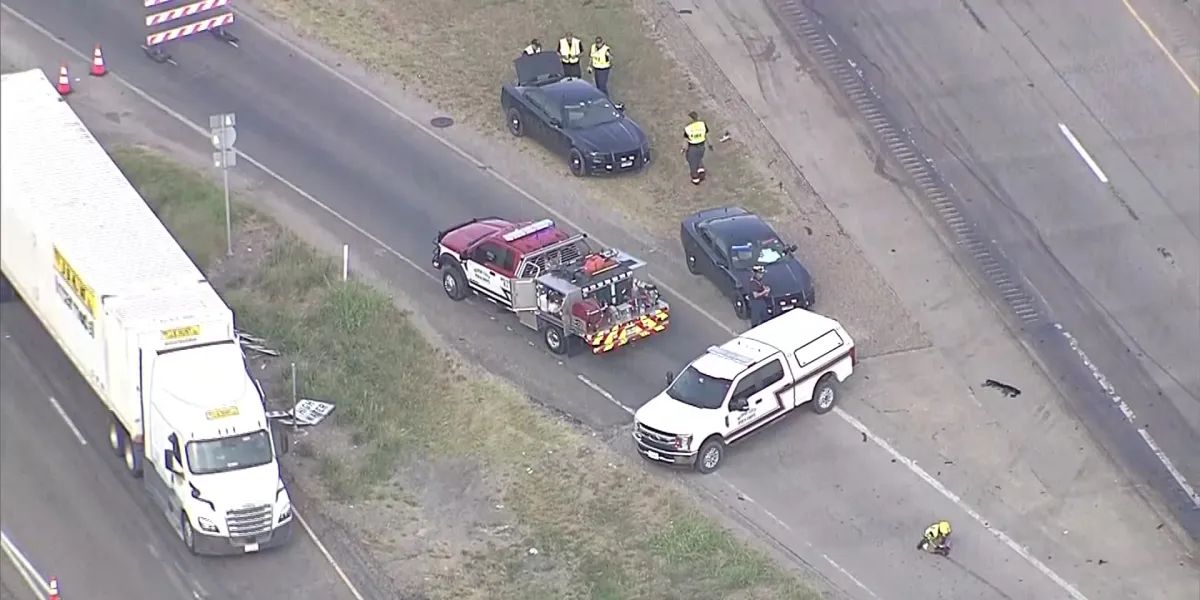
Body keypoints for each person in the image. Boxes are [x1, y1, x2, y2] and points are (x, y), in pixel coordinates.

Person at [682, 111, 709, 185]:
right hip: (702, 146)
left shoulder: (688, 128)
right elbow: (705, 134)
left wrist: (684, 149)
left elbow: (686, 140)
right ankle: (701, 172)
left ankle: (695, 179)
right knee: (699, 158)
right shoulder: (702, 124)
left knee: (692, 162)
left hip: (693, 147)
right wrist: (709, 144)